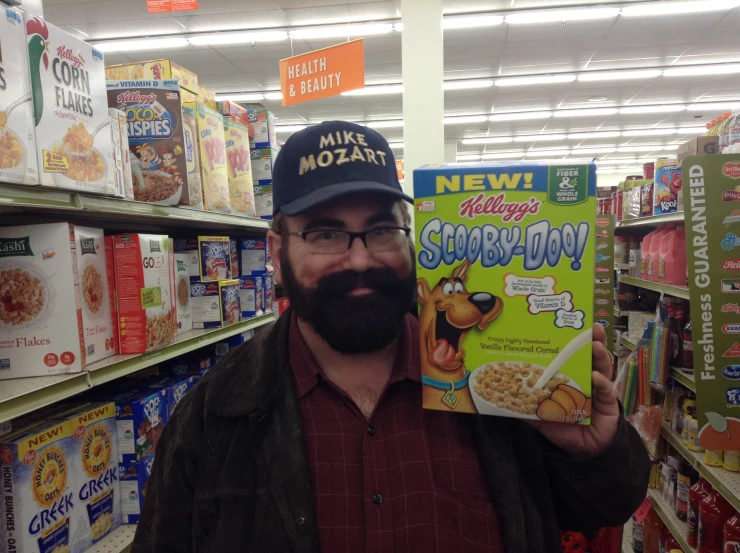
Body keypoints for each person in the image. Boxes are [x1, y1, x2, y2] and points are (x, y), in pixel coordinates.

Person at [132, 121, 650, 553]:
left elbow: (601, 510)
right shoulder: (216, 412)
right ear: (276, 252)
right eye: (325, 234)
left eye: (382, 230)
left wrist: (590, 454)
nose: (360, 259)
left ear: (411, 237)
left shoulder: (495, 386)